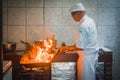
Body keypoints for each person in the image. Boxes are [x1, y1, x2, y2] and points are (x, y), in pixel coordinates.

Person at [58, 3, 98, 80]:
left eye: (73, 13)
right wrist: (70, 47)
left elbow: (80, 46)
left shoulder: (83, 25)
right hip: (92, 56)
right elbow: (82, 42)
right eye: (71, 14)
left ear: (80, 12)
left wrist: (65, 47)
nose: (72, 16)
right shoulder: (90, 21)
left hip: (86, 58)